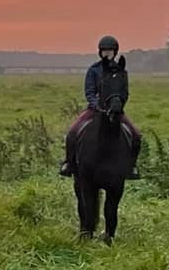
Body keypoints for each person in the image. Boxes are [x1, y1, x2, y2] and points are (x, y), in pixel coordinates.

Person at [60, 36, 141, 179]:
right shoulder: (94, 70)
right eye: (104, 51)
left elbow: (124, 92)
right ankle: (69, 163)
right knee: (73, 131)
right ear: (100, 52)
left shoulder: (121, 71)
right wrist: (97, 106)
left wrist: (119, 105)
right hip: (95, 110)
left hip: (116, 110)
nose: (107, 54)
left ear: (115, 52)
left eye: (110, 51)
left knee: (135, 134)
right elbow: (89, 92)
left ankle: (131, 166)